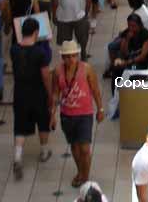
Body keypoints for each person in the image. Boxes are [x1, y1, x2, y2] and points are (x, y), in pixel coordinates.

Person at [53, 39, 105, 188]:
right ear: (63, 57)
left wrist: (100, 109)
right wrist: (52, 114)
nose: (71, 59)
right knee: (74, 147)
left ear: (78, 55)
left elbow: (95, 90)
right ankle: (80, 171)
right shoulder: (57, 71)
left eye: (74, 56)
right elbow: (55, 93)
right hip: (67, 115)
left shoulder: (87, 69)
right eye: (68, 56)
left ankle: (85, 178)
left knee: (85, 149)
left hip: (85, 114)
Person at [11, 17, 54, 180]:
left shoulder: (14, 50)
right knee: (43, 122)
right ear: (36, 32)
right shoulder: (40, 53)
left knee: (20, 126)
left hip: (20, 93)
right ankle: (44, 152)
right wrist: (50, 95)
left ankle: (17, 156)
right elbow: (45, 76)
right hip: (38, 94)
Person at [107, 13, 148, 86]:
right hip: (130, 60)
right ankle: (115, 92)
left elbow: (143, 56)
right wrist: (127, 40)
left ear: (139, 25)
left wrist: (128, 62)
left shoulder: (146, 35)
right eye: (129, 26)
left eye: (133, 26)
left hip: (142, 63)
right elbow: (124, 52)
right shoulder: (127, 33)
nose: (131, 28)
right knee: (116, 71)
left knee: (129, 70)